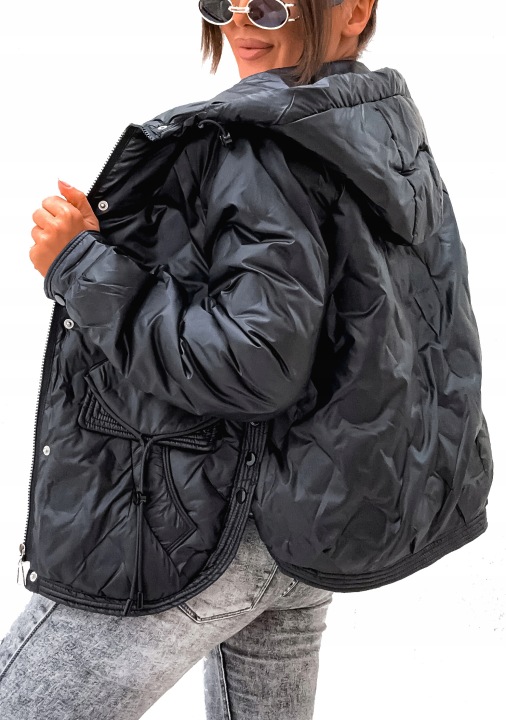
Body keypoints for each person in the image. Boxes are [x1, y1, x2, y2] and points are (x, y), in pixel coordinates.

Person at [0, 0, 494, 718]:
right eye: (221, 4)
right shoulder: (381, 129)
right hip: (306, 531)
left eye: (268, 6)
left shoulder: (258, 144)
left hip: (205, 529)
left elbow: (251, 361)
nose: (237, 24)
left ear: (354, 10)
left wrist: (81, 266)